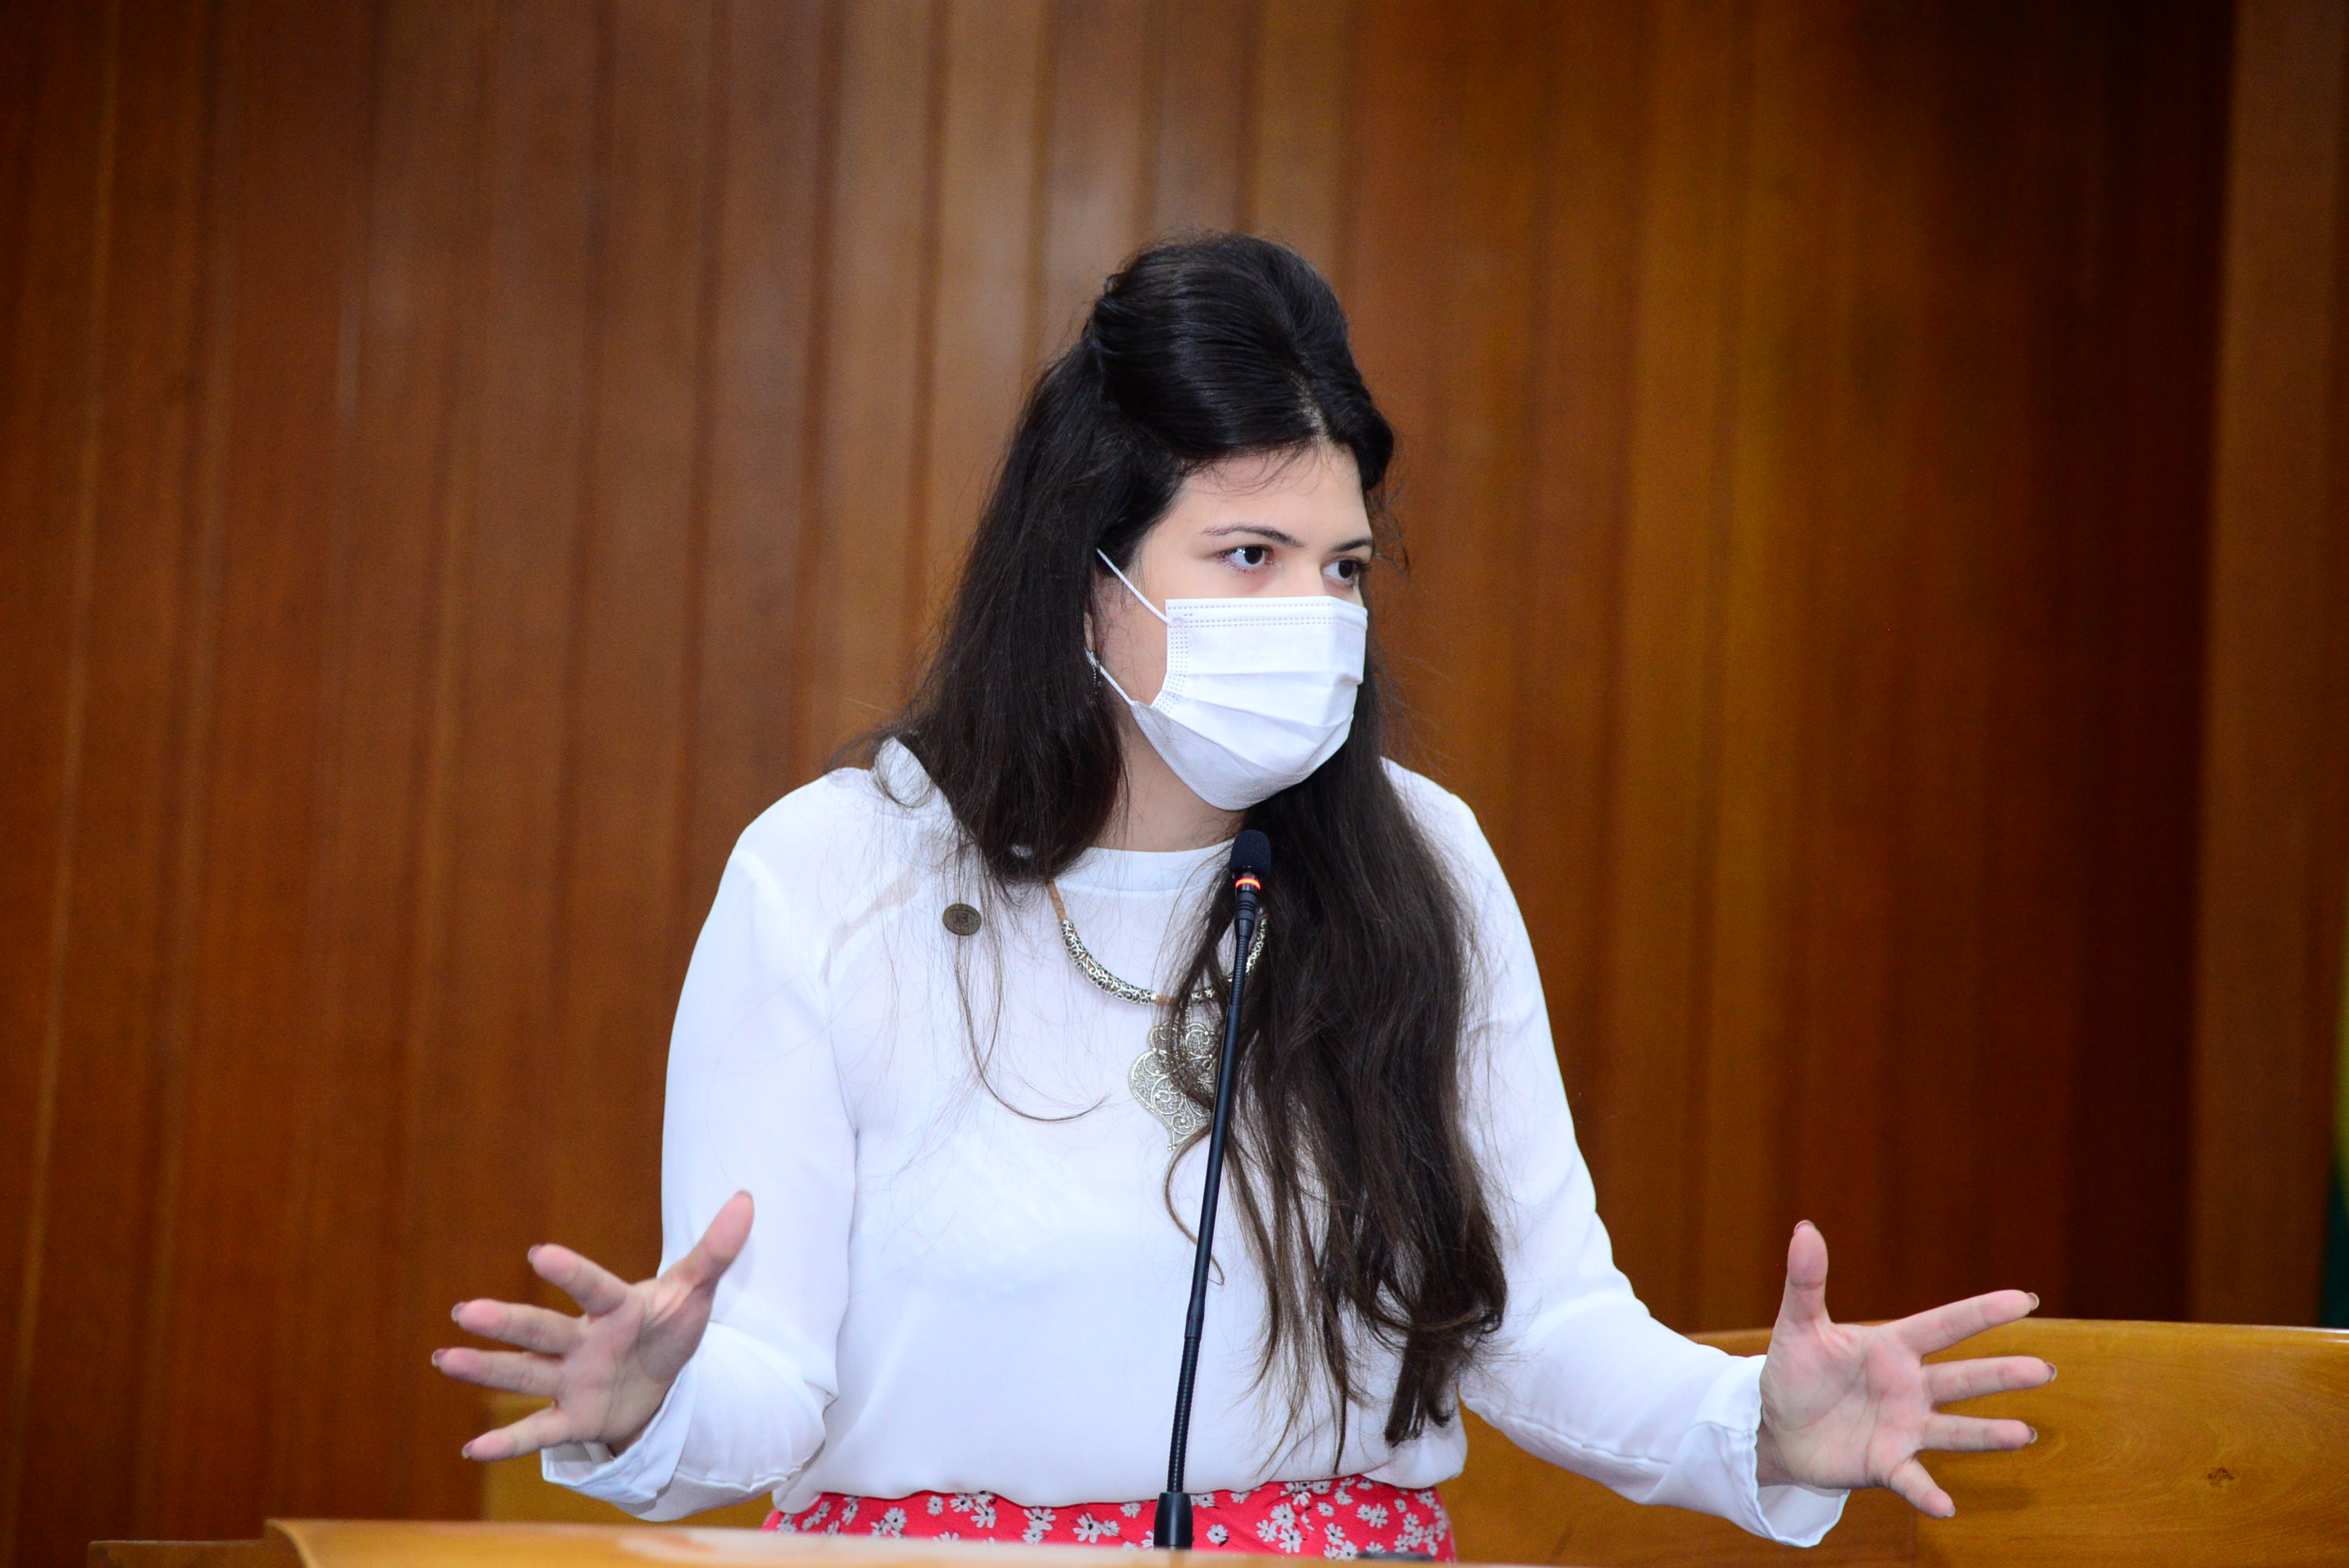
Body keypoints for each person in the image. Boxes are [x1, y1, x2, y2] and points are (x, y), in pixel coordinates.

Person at [430, 233, 2054, 1557]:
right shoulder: (832, 870)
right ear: (1087, 580)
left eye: (1342, 568)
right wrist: (651, 1406)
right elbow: (769, 1377)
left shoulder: (1422, 866)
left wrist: (1750, 1427)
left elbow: (1540, 1322)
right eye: (1248, 558)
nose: (1314, 616)